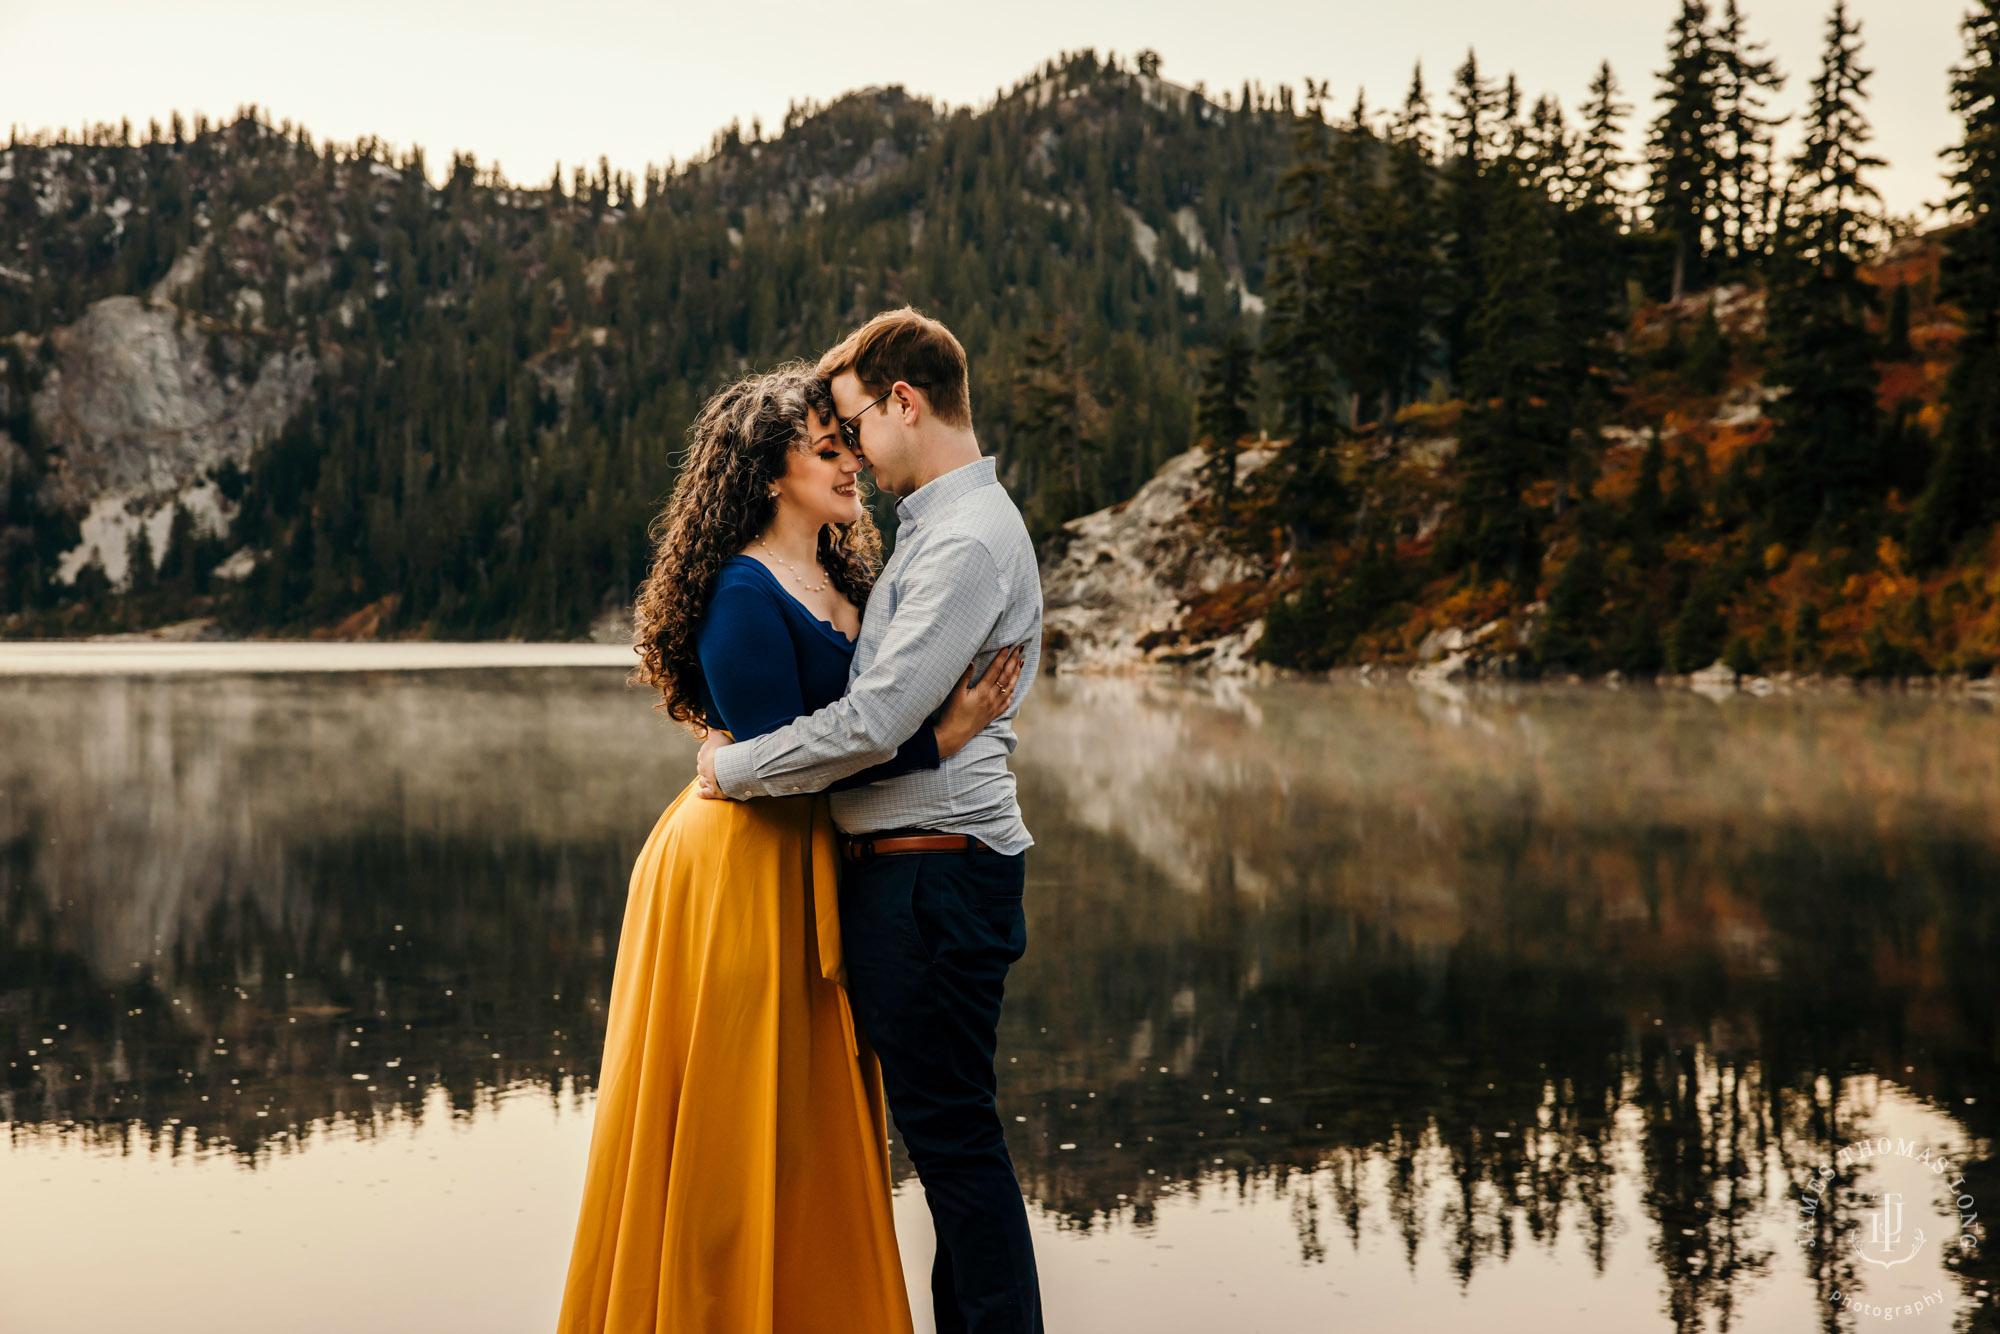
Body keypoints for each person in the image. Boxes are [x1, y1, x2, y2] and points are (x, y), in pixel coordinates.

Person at [557, 362, 1024, 1333]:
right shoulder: (739, 591)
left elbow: (851, 722)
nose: (850, 460)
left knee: (806, 1121)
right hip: (736, 863)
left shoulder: (852, 573)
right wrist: (939, 735)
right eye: (827, 447)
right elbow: (793, 759)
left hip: (809, 860)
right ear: (770, 472)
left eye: (849, 442)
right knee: (732, 1119)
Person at [696, 308, 1046, 1334]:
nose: (848, 448)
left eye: (851, 423)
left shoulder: (966, 543)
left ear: (903, 403)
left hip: (931, 876)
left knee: (954, 1145)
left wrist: (736, 766)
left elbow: (874, 719)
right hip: (920, 871)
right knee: (949, 1147)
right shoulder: (935, 530)